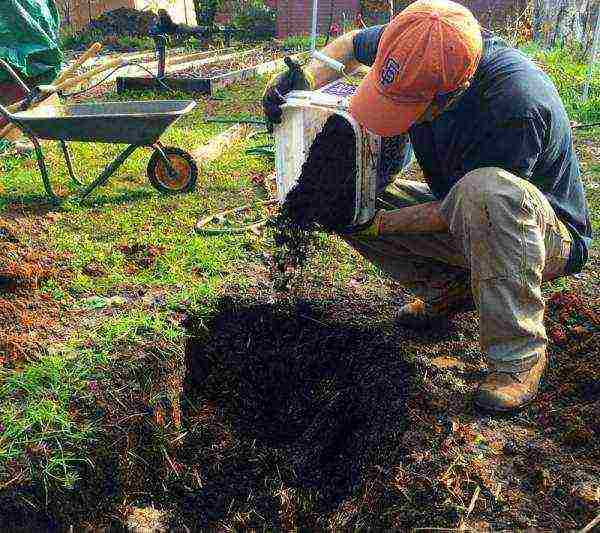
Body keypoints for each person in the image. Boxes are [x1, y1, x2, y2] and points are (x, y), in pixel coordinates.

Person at [262, 0, 593, 412]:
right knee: (344, 195)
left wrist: (379, 226)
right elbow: (348, 45)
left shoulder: (513, 106)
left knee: (485, 192)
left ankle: (517, 357)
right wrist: (306, 75)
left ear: (452, 93)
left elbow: (472, 209)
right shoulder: (417, 46)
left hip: (543, 234)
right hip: (469, 210)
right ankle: (449, 289)